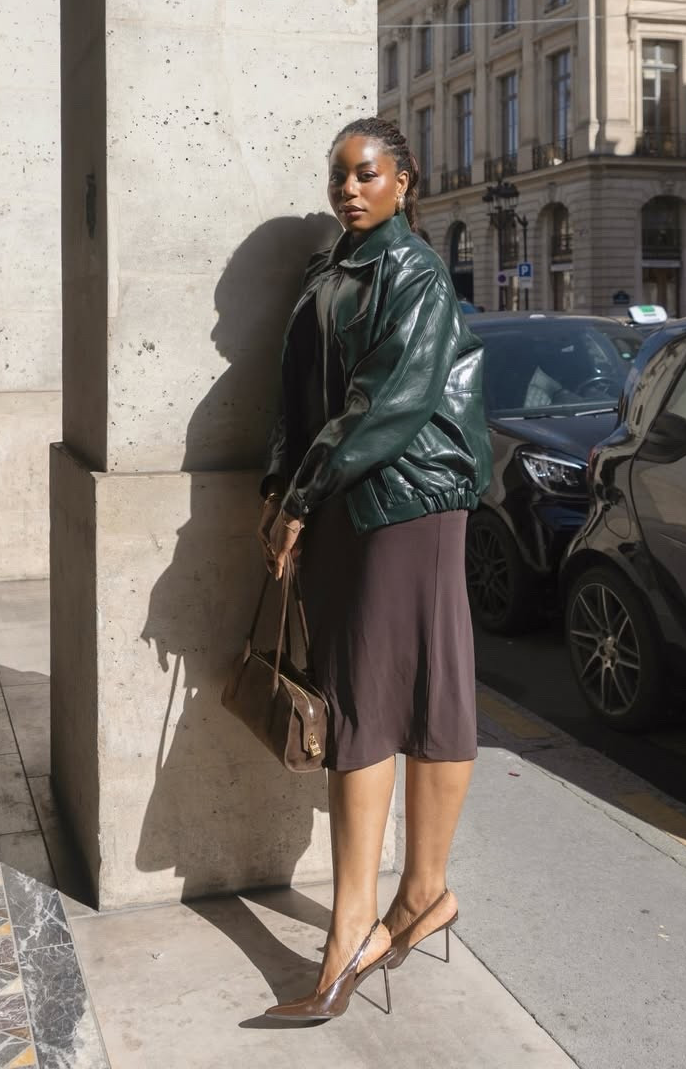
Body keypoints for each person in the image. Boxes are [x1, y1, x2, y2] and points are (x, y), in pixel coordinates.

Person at [256, 116, 491, 1022]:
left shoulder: (413, 271)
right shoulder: (332, 268)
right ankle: (418, 899)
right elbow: (297, 392)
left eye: (367, 174)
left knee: (396, 696)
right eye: (339, 176)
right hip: (351, 496)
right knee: (371, 695)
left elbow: (387, 399)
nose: (349, 189)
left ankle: (369, 915)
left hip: (408, 496)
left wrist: (302, 496)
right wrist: (280, 486)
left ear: (405, 180)